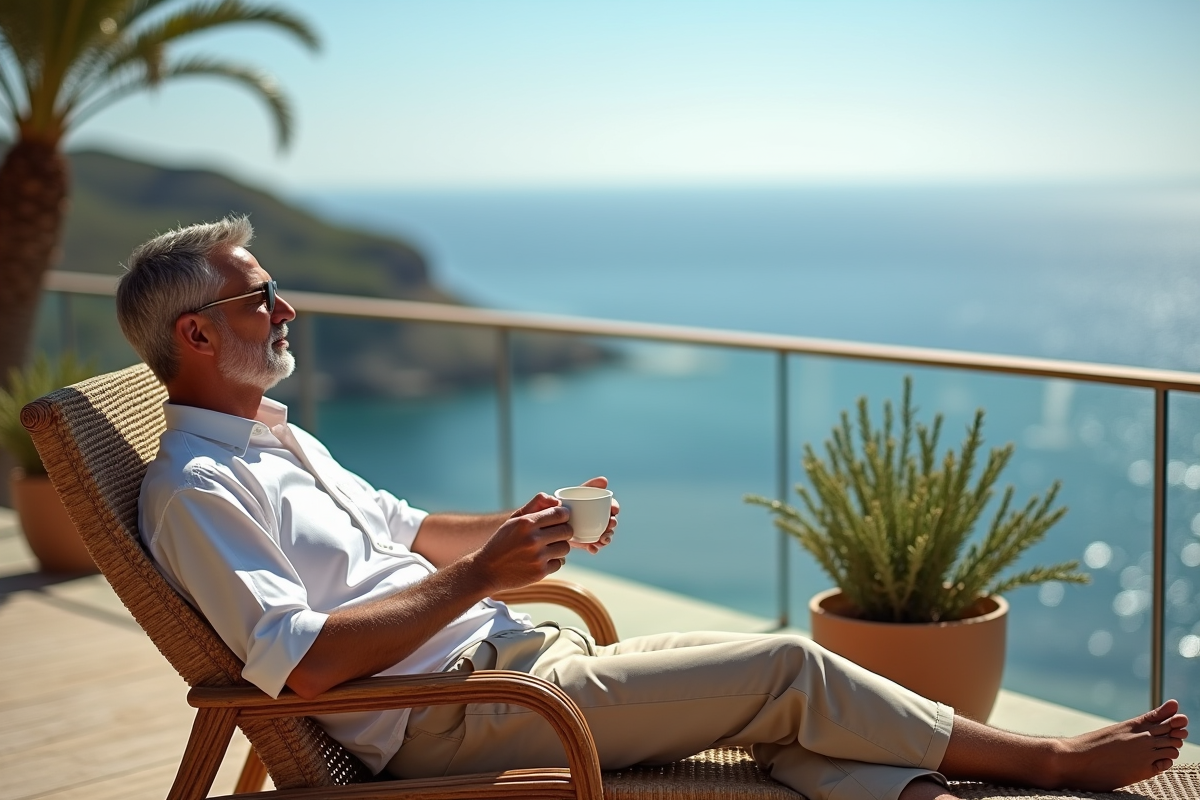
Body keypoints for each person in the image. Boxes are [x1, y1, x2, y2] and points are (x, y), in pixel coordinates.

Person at [115, 216, 1188, 800]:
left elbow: (410, 531)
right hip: (455, 714)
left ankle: (906, 795)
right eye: (260, 296)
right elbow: (302, 667)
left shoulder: (280, 438)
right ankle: (1048, 763)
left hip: (515, 661)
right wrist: (484, 575)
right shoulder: (197, 490)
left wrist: (522, 528)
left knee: (766, 706)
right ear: (196, 335)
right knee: (787, 670)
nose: (286, 307)